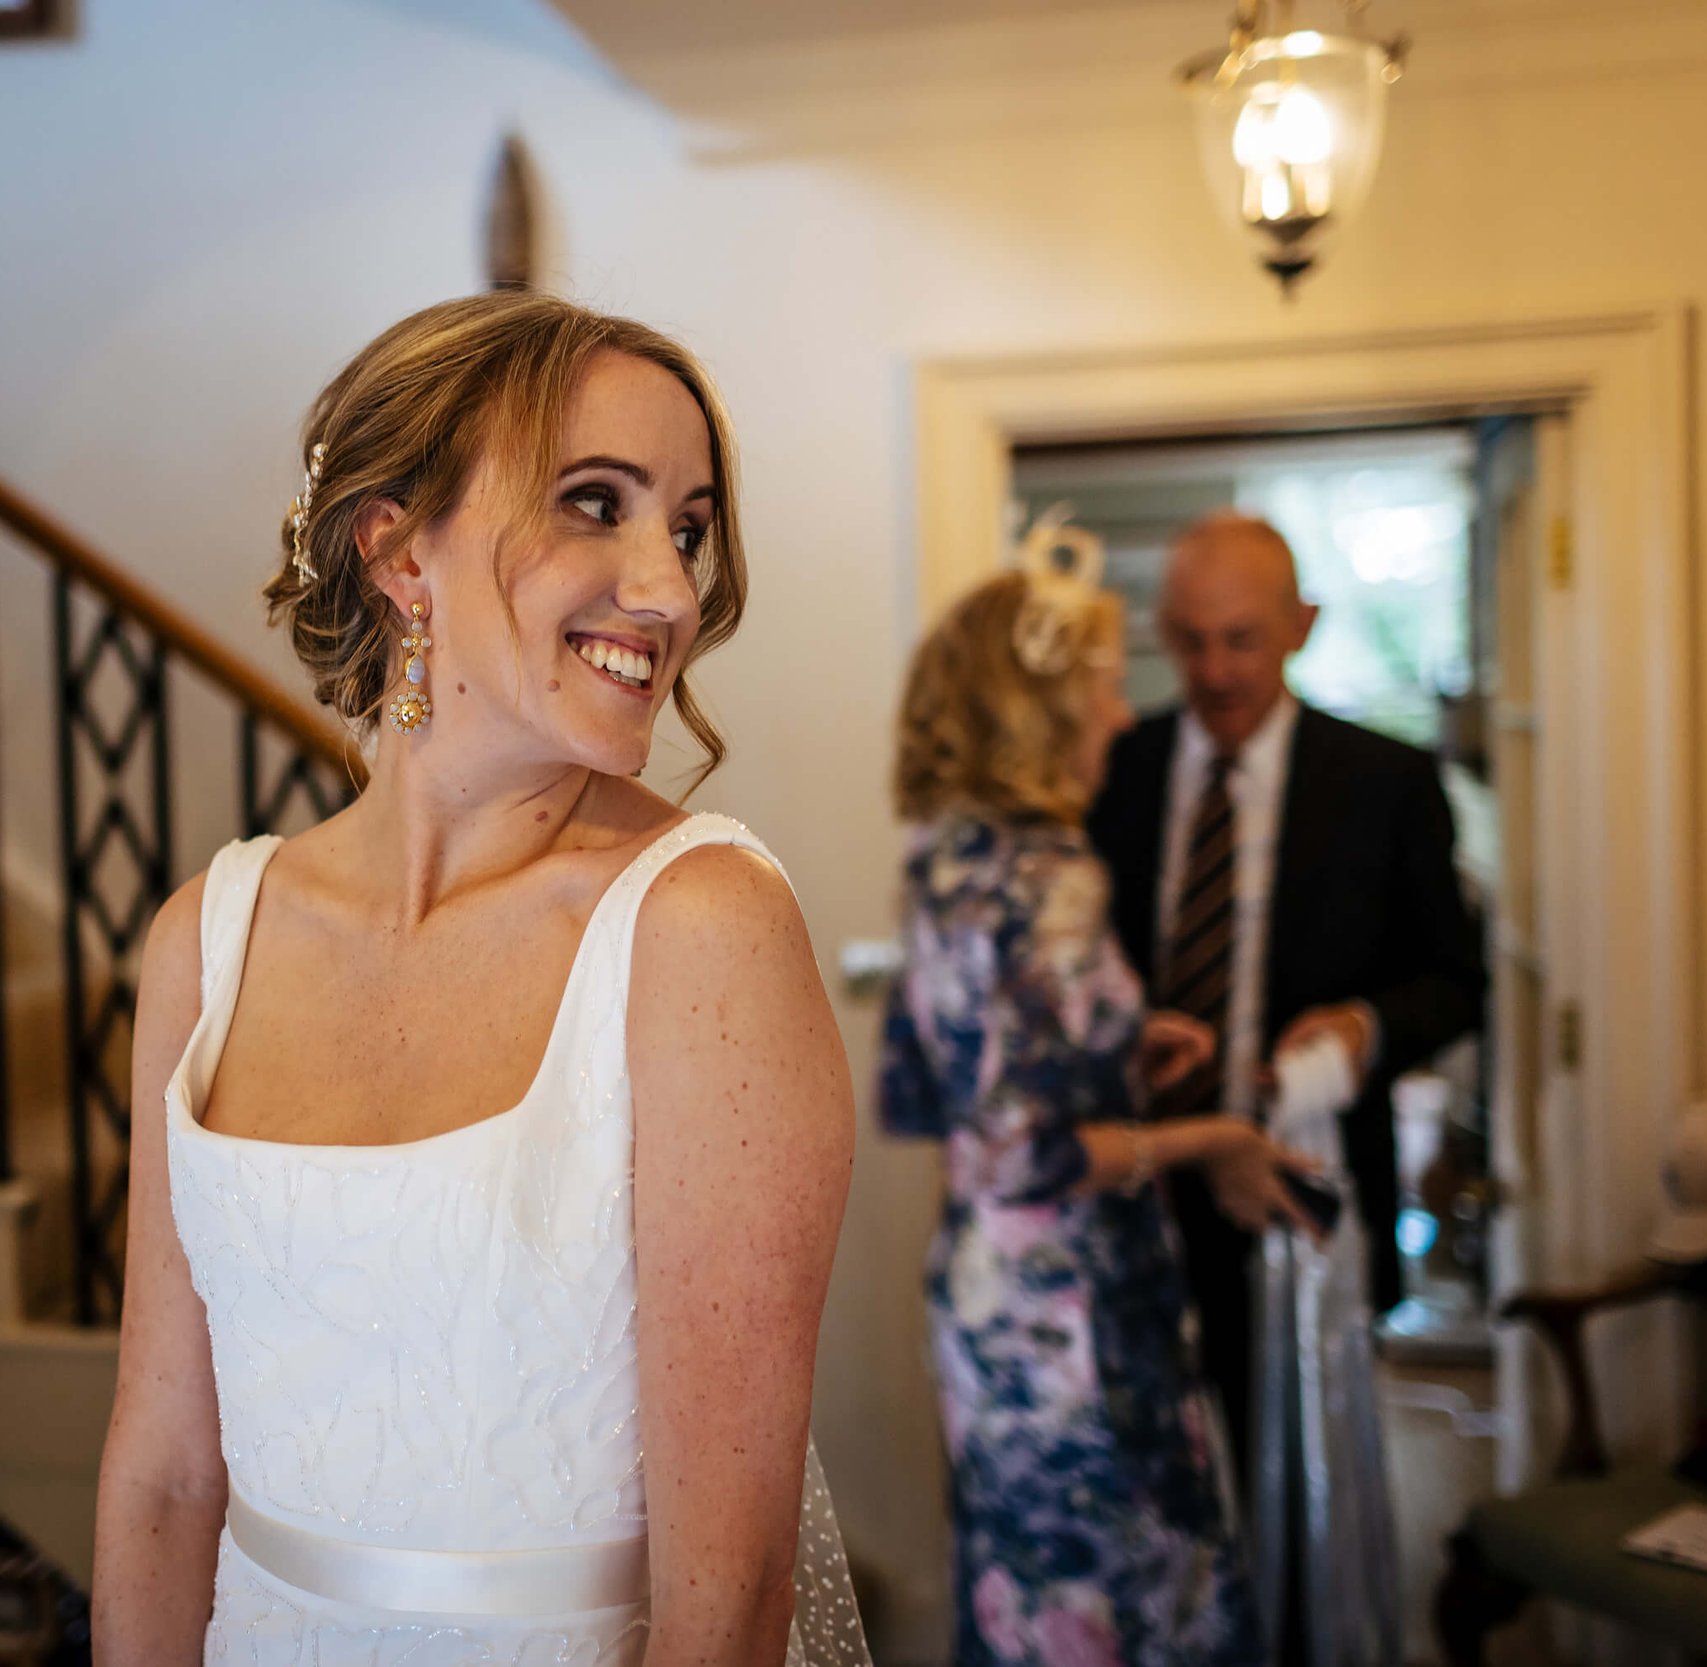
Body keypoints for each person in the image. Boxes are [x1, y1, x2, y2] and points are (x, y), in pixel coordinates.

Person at [91, 293, 867, 1667]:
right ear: (397, 549)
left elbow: (728, 1596)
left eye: (687, 527)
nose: (673, 590)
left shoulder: (701, 931)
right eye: (594, 503)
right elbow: (162, 1477)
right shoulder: (203, 941)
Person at [879, 518, 1319, 1667]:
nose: (1126, 718)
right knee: (1123, 1600)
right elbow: (1021, 1151)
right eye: (1110, 689)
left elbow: (942, 1096)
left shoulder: (945, 854)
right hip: (1073, 1307)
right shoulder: (1052, 877)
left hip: (983, 1294)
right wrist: (1214, 1131)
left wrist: (1117, 1051)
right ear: (1045, 704)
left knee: (1029, 1592)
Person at [1085, 512, 1487, 1459]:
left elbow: (1458, 983)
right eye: (1190, 641)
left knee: (1302, 1498)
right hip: (1139, 1185)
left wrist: (1365, 1025)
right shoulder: (1113, 769)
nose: (1216, 670)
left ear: (1301, 624)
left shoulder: (1389, 779)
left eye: (1242, 639)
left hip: (1307, 1193)